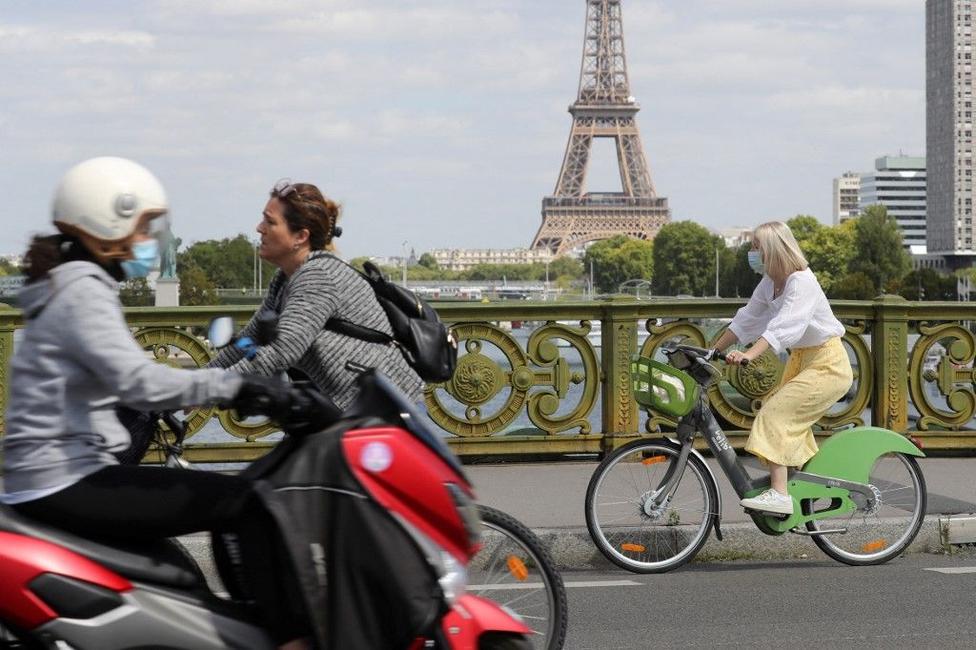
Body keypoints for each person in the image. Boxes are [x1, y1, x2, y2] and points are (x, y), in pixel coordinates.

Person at [1, 157, 309, 650]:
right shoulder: (83, 291)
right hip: (65, 478)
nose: (149, 240)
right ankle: (290, 641)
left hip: (45, 477)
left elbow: (117, 375)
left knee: (182, 568)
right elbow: (137, 382)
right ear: (108, 225)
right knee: (247, 501)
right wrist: (236, 387)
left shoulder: (68, 285)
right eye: (143, 227)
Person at [207, 178, 423, 408]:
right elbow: (251, 337)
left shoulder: (318, 276)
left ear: (300, 237)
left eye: (270, 222)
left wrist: (206, 390)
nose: (259, 228)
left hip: (389, 411)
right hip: (354, 411)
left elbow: (281, 351)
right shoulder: (285, 279)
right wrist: (195, 381)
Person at [712, 221, 853, 516]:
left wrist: (749, 354)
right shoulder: (770, 283)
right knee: (786, 418)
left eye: (756, 247)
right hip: (803, 360)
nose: (751, 252)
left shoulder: (800, 281)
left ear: (773, 250)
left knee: (775, 415)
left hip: (827, 363)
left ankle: (780, 495)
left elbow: (785, 327)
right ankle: (805, 484)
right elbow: (745, 319)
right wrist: (713, 349)